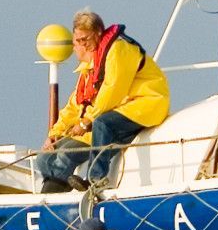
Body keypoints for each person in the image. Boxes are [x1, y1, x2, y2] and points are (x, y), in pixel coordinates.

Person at [35, 10, 170, 192]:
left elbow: (113, 89)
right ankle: (61, 188)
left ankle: (95, 179)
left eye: (86, 39)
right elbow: (74, 106)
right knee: (44, 158)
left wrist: (87, 121)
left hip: (146, 103)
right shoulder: (90, 68)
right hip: (121, 108)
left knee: (102, 123)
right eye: (79, 40)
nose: (83, 45)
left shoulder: (119, 50)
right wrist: (54, 134)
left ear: (98, 33)